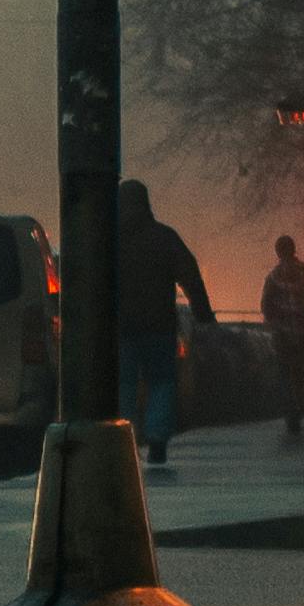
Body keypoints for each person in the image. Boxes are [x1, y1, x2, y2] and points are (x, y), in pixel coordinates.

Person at [113, 181, 215, 471]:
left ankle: (125, 437)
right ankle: (157, 438)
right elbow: (190, 275)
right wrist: (203, 313)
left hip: (121, 328)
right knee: (161, 382)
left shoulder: (110, 239)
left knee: (125, 384)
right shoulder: (164, 237)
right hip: (158, 325)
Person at [258, 233, 304, 441]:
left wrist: (275, 324)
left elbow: (266, 306)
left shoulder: (274, 277)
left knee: (285, 376)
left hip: (283, 335)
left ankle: (291, 416)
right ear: (294, 249)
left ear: (278, 252)